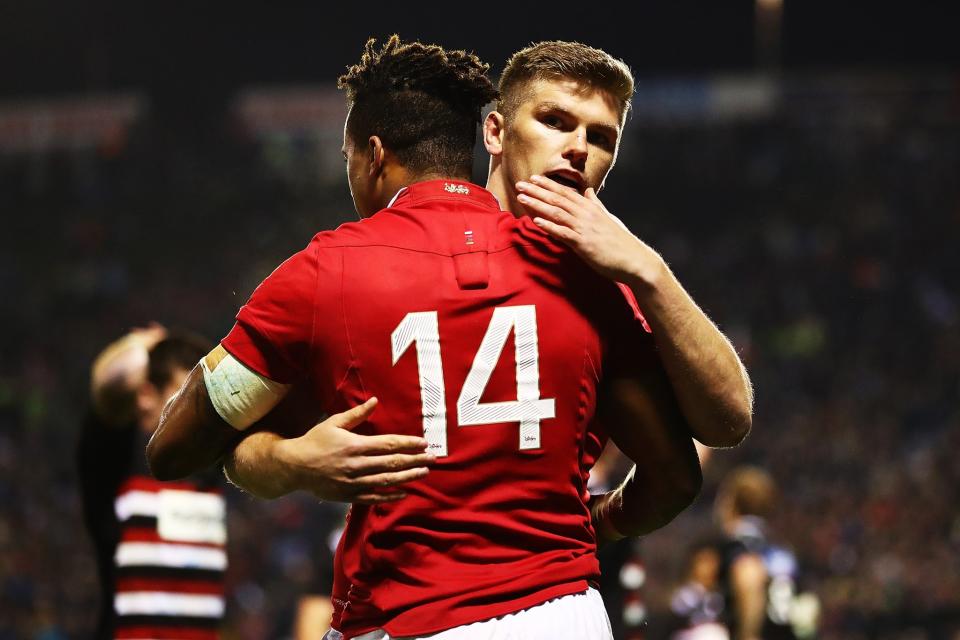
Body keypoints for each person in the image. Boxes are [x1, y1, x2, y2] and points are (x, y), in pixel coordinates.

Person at [147, 36, 747, 638]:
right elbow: (674, 476)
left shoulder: (334, 270)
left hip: (408, 617)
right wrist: (603, 521)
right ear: (493, 132)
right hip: (564, 613)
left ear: (371, 155)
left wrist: (284, 461)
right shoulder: (593, 285)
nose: (576, 151)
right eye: (555, 122)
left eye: (601, 138)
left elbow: (182, 447)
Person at [77, 327, 228, 640]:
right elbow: (110, 383)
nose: (196, 413)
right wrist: (141, 345)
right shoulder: (116, 460)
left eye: (200, 399)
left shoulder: (210, 464)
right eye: (181, 396)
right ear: (147, 395)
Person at [713, 466, 819, 640]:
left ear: (731, 503)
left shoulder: (739, 546)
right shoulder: (782, 550)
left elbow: (749, 576)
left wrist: (749, 634)